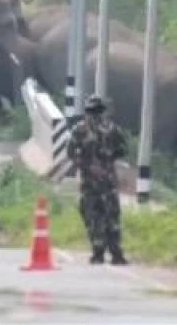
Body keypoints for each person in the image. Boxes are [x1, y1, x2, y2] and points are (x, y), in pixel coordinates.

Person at [67, 95, 129, 265]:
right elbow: (123, 150)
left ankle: (101, 251)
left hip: (93, 181)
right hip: (104, 181)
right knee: (108, 216)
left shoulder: (80, 129)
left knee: (96, 216)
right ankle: (113, 252)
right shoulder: (111, 129)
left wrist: (86, 163)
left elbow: (71, 153)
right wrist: (107, 160)